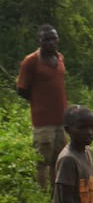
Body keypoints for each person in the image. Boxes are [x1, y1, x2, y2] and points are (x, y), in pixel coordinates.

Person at [16, 24, 68, 192]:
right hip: (43, 121)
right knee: (42, 159)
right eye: (46, 39)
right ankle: (41, 192)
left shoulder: (60, 58)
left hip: (62, 118)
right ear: (39, 41)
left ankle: (55, 191)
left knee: (59, 158)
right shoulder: (31, 61)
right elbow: (22, 89)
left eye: (54, 38)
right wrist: (39, 102)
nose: (51, 42)